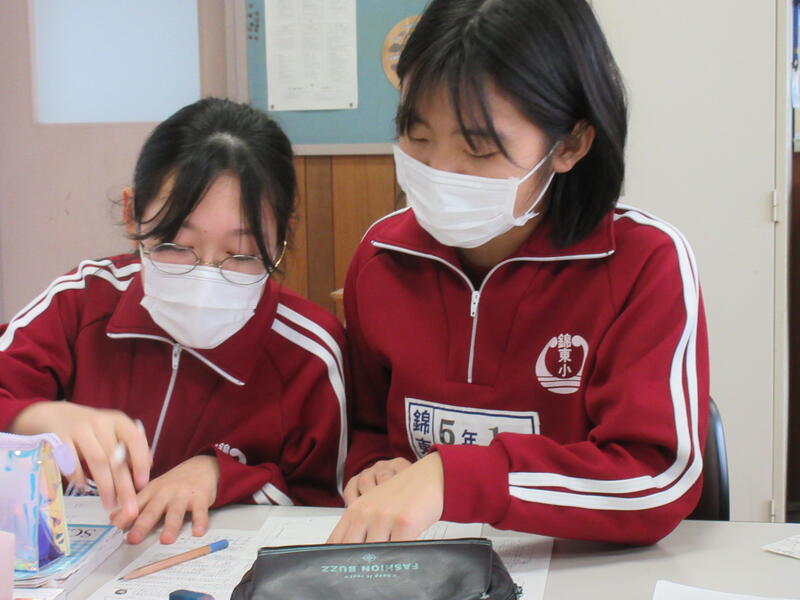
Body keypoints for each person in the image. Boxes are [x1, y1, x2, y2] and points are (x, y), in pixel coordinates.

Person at [331, 0, 708, 546]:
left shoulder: (643, 261)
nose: (439, 171)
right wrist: (373, 470)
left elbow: (653, 478)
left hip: (577, 565)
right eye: (417, 135)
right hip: (426, 558)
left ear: (570, 144)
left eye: (479, 148)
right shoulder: (382, 256)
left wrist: (453, 477)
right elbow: (367, 428)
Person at [1, 98, 347, 544]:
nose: (205, 278)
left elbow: (324, 507)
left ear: (282, 233)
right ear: (132, 214)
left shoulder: (308, 352)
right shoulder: (83, 300)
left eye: (241, 254)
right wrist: (35, 416)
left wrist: (222, 476)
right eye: (175, 245)